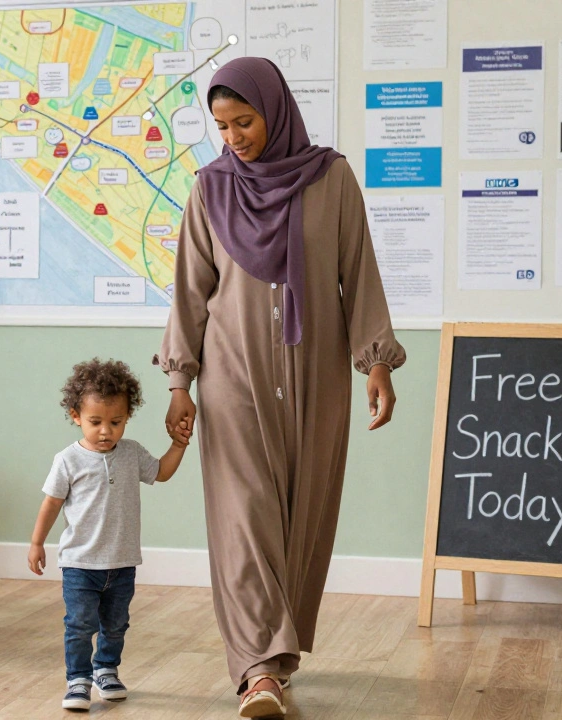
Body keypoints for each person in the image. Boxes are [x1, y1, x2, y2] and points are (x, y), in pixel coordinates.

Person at [158, 58, 406, 718]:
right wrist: (180, 381)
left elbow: (359, 272)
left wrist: (376, 361)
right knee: (244, 518)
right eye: (221, 125)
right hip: (232, 373)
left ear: (277, 110)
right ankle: (256, 669)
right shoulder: (209, 189)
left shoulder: (330, 179)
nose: (232, 136)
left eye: (244, 121)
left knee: (302, 515)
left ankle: (278, 654)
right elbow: (190, 290)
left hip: (317, 372)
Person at [28, 359, 191, 711]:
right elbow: (51, 504)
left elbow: (160, 473)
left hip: (122, 562)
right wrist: (37, 542)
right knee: (79, 624)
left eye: (115, 422)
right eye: (95, 422)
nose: (106, 431)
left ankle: (106, 669)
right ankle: (78, 680)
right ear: (76, 416)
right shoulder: (67, 460)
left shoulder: (131, 453)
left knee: (116, 625)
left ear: (127, 417)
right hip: (79, 564)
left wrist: (178, 445)